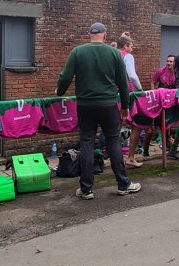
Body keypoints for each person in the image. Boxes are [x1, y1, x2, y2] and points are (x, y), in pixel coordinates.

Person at [57, 22, 141, 200]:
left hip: (85, 105)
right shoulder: (113, 53)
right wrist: (125, 106)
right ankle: (123, 184)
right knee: (113, 141)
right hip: (108, 104)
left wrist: (59, 92)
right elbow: (123, 82)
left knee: (87, 141)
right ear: (104, 35)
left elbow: (65, 76)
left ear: (90, 34)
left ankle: (86, 189)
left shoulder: (78, 51)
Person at [118, 34, 148, 168]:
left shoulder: (112, 53)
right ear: (125, 46)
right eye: (131, 46)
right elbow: (132, 75)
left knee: (115, 127)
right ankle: (130, 157)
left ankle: (117, 159)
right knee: (136, 124)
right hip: (128, 93)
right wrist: (140, 90)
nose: (132, 49)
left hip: (113, 93)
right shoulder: (127, 56)